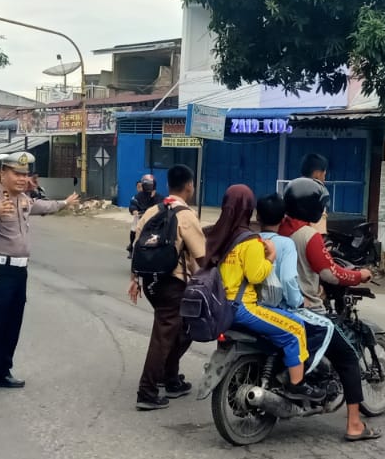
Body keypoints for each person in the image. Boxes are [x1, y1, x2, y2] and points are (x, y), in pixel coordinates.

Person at [272, 181, 380, 441]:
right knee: (348, 357)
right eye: (320, 206)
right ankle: (355, 425)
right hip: (306, 309)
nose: (323, 211)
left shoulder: (278, 228)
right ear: (309, 207)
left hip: (275, 306)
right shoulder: (308, 236)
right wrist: (359, 275)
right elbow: (330, 274)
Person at [0, 151, 79, 398]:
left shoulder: (24, 199)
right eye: (16, 174)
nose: (21, 179)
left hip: (19, 271)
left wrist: (64, 203)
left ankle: (2, 371)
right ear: (3, 174)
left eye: (24, 174)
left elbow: (43, 206)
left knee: (12, 324)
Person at [203, 184, 323, 400]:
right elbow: (256, 276)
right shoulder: (249, 241)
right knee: (296, 328)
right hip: (241, 306)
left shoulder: (220, 237)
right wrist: (270, 258)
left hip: (219, 304)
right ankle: (296, 385)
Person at [128, 165, 205, 410]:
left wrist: (135, 279)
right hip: (173, 283)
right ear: (189, 186)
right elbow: (201, 257)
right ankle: (147, 391)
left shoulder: (153, 211)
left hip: (151, 282)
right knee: (164, 334)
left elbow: (136, 246)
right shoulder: (186, 215)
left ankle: (171, 379)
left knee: (179, 328)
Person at [126, 174, 159, 255]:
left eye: (150, 185)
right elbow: (133, 204)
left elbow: (163, 205)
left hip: (154, 218)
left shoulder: (158, 197)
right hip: (141, 217)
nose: (148, 187)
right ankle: (132, 246)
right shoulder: (137, 196)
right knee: (135, 229)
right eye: (147, 185)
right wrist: (134, 211)